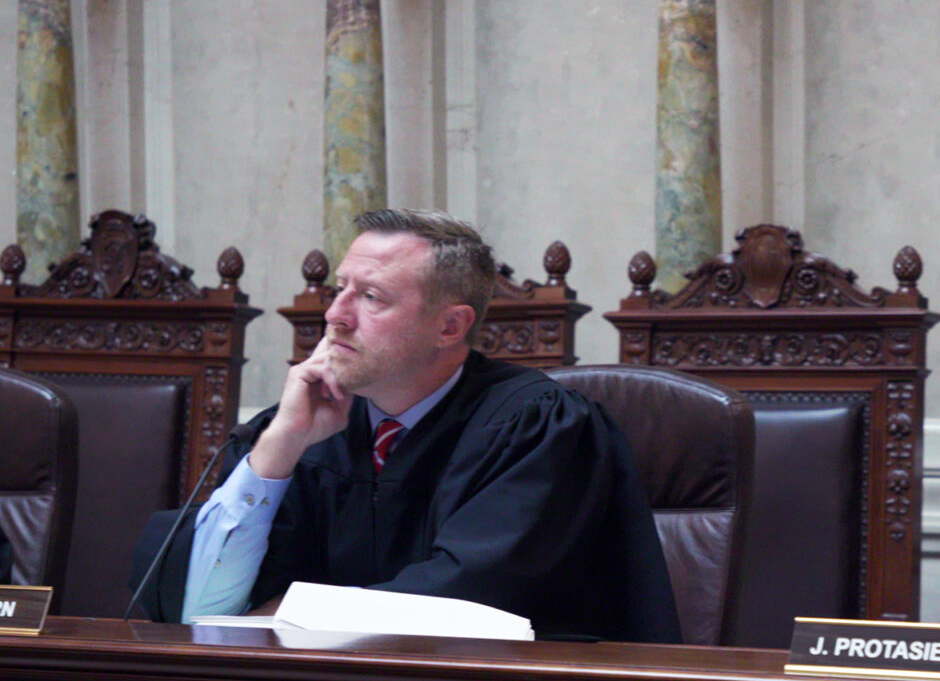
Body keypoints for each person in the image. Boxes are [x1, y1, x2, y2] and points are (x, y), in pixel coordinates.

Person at [137, 209, 681, 643]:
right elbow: (199, 610)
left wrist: (290, 613)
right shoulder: (305, 431)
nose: (336, 315)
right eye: (339, 289)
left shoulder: (539, 428)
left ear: (450, 325)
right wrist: (277, 452)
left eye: (370, 297)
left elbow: (463, 604)